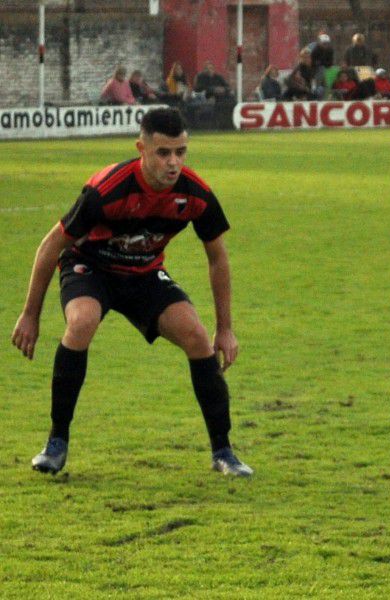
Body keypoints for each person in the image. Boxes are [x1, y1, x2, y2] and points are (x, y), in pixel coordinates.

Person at [11, 107, 253, 478]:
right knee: (82, 322)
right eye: (163, 153)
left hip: (143, 274)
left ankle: (223, 451)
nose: (173, 163)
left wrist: (226, 327)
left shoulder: (196, 194)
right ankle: (56, 443)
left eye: (181, 152)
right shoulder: (107, 190)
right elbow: (50, 246)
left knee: (197, 337)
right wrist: (30, 314)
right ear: (142, 148)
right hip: (90, 268)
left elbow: (218, 259)